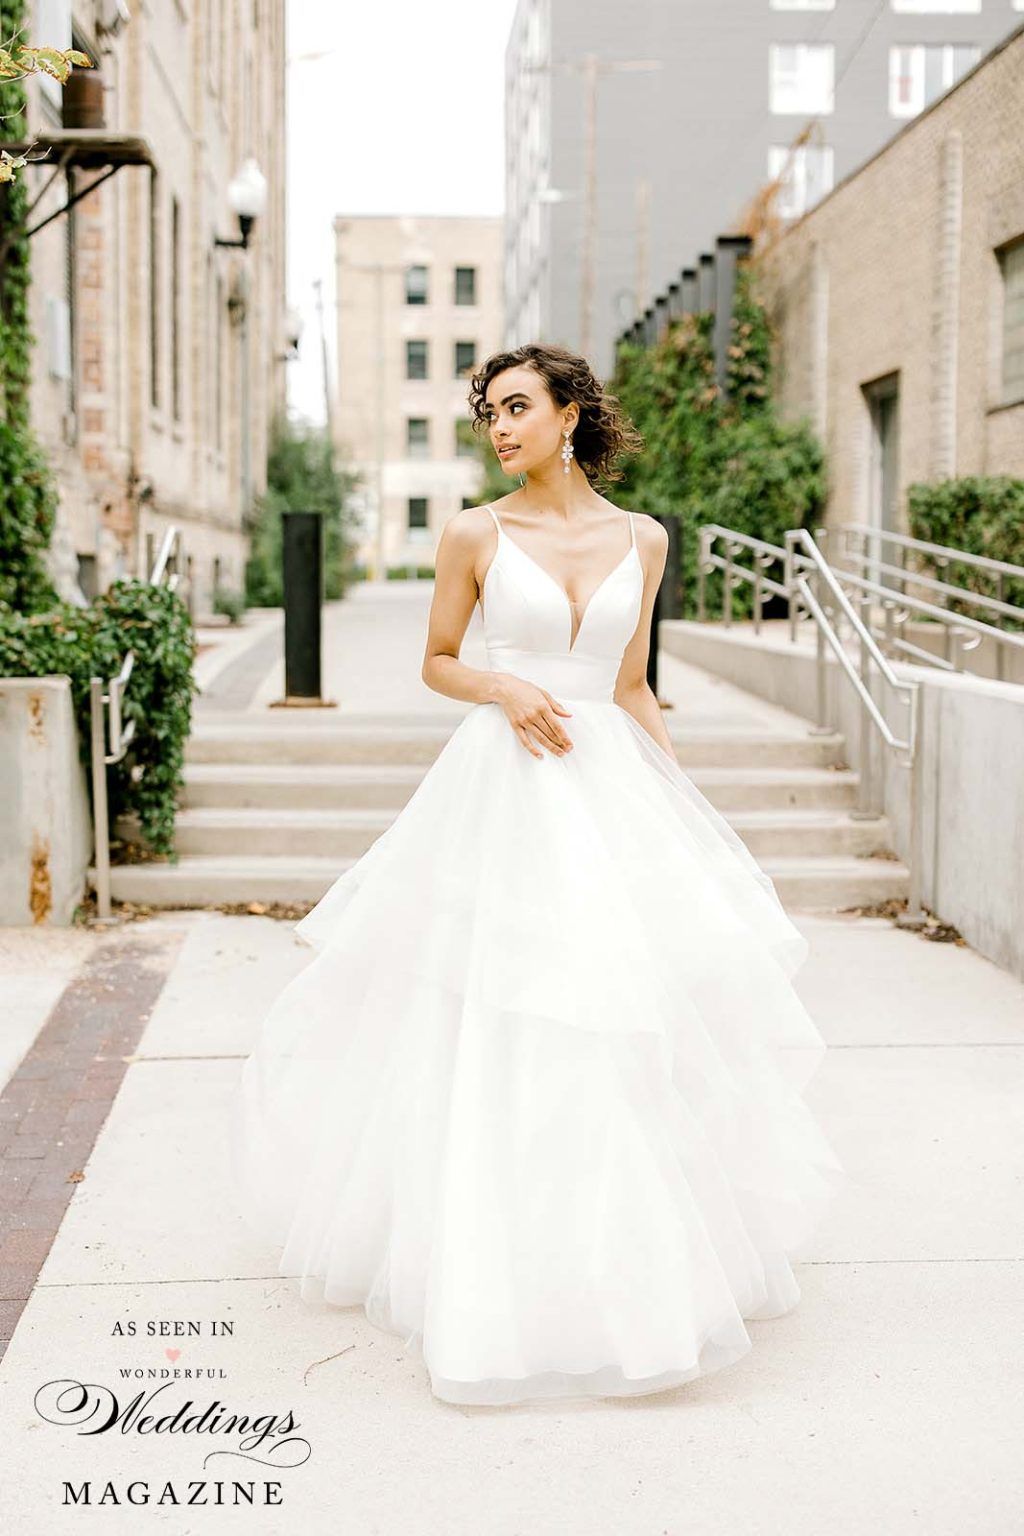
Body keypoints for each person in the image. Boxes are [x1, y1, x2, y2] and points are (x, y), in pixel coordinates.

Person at [229, 341, 848, 1408]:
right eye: (487, 413)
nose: (499, 427)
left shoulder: (643, 540)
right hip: (507, 787)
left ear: (571, 415)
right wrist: (505, 689)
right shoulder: (476, 531)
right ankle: (494, 1271)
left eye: (517, 407)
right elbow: (437, 658)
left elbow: (631, 683)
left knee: (627, 1021)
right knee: (509, 1016)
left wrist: (676, 805)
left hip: (609, 787)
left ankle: (632, 1268)